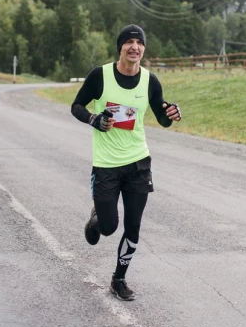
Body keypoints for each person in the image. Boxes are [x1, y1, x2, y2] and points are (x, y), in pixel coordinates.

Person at [71, 24, 182, 300]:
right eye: (129, 42)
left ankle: (119, 279)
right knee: (109, 227)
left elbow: (163, 118)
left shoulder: (150, 81)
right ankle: (96, 220)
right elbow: (76, 106)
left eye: (139, 43)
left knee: (133, 225)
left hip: (137, 164)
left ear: (144, 49)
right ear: (120, 47)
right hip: (106, 165)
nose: (135, 47)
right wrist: (94, 119)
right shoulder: (101, 75)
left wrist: (172, 112)